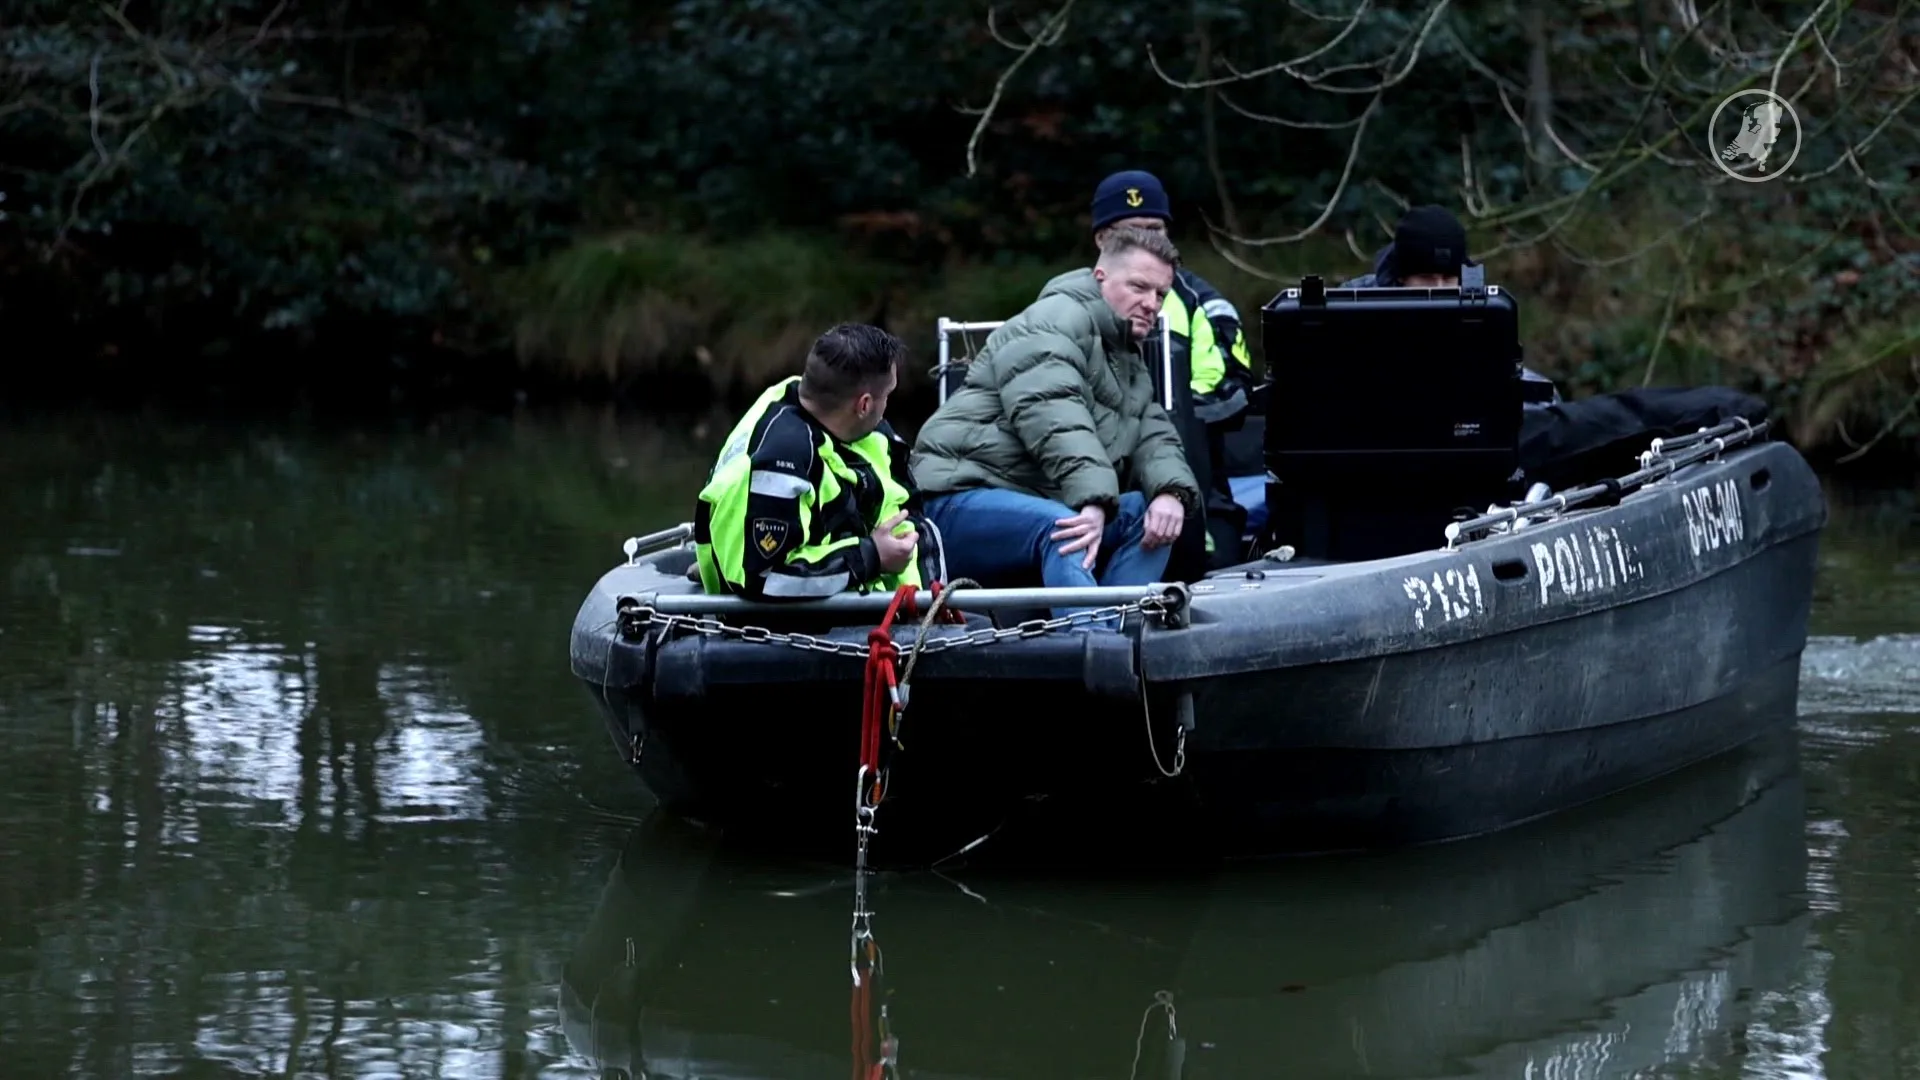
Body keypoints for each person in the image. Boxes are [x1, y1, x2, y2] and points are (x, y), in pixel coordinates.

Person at [910, 226, 1202, 620]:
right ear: (1101, 278)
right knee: (1067, 528)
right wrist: (1093, 500)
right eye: (1139, 287)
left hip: (1034, 500)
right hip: (957, 497)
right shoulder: (1055, 318)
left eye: (1161, 294)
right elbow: (1051, 412)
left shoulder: (1128, 360)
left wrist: (1171, 493)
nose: (1151, 303)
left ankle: (1122, 635)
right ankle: (1086, 646)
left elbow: (1155, 435)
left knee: (1146, 515)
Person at [693, 323, 944, 601]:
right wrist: (872, 556)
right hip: (792, 628)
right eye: (887, 396)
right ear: (863, 405)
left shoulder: (835, 415)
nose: (887, 406)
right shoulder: (779, 463)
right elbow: (766, 579)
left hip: (891, 606)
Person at [1088, 170, 1258, 576]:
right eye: (1131, 233)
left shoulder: (1203, 305)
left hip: (1195, 478)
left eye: (1156, 230)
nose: (1149, 241)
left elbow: (1224, 393)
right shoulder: (1069, 301)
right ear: (1101, 240)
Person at [1342, 203, 1561, 404]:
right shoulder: (1354, 308)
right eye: (1426, 278)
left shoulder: (1481, 309)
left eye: (1448, 279)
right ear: (1401, 277)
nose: (1439, 288)